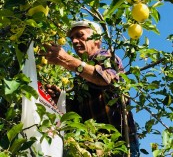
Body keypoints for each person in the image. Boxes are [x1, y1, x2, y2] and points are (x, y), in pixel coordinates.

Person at [43, 20, 140, 156]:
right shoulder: (80, 77)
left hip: (119, 145)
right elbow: (79, 114)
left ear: (96, 39)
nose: (75, 41)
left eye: (79, 35)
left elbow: (106, 78)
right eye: (72, 38)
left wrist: (67, 60)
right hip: (94, 147)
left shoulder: (107, 57)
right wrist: (61, 99)